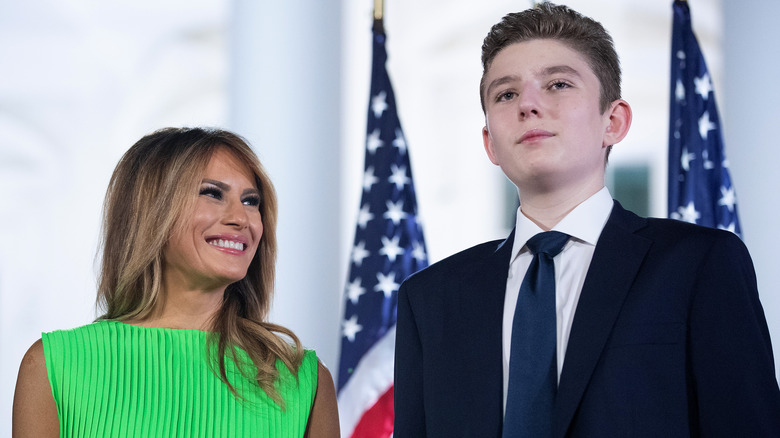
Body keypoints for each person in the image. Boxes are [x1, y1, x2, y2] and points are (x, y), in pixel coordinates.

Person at [394, 3, 780, 437]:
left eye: (558, 84)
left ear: (612, 121)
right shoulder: (428, 300)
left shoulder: (699, 264)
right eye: (506, 94)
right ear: (491, 144)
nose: (529, 105)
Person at [12, 127, 340, 437]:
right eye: (213, 193)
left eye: (251, 201)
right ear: (151, 210)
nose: (241, 219)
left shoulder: (303, 380)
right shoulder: (54, 367)